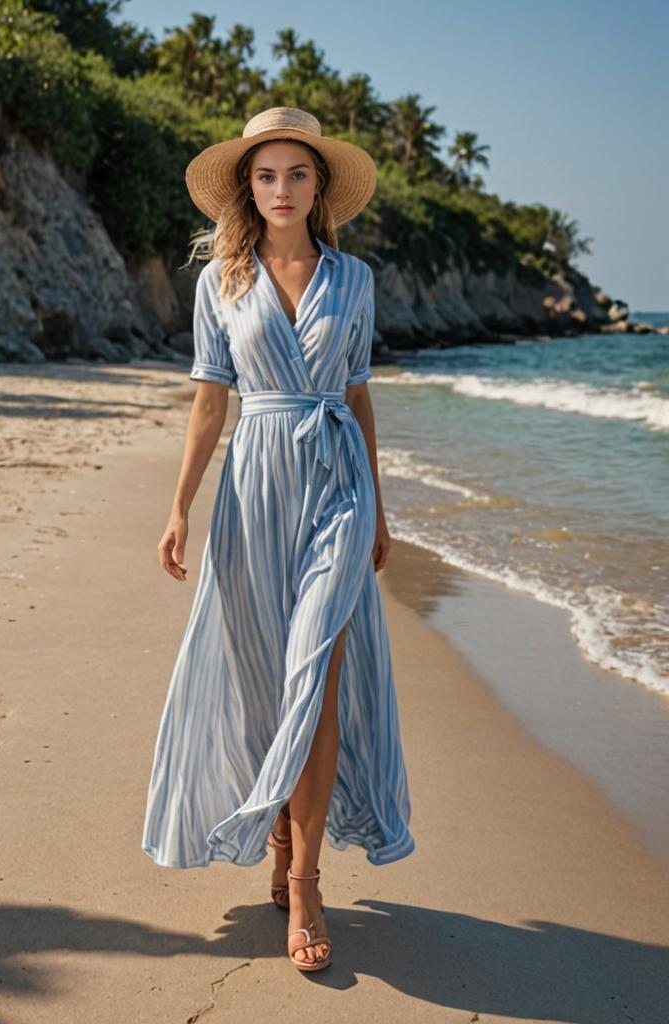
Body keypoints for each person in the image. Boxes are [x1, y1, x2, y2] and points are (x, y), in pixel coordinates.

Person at [142, 106, 415, 973]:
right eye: (268, 175)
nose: (283, 189)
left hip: (336, 487)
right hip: (254, 491)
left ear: (319, 187)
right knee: (268, 679)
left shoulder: (356, 279)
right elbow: (210, 403)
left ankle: (306, 882)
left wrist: (378, 502)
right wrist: (180, 505)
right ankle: (278, 842)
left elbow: (361, 395)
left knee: (318, 676)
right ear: (247, 190)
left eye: (298, 174)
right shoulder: (221, 283)